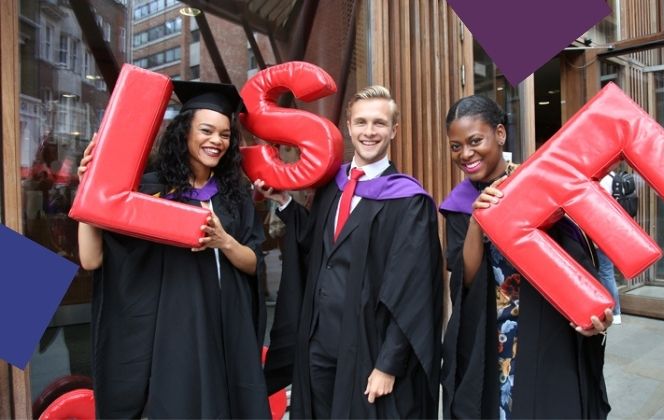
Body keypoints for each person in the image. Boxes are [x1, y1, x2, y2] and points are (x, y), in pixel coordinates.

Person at [77, 81, 270, 418]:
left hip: (226, 329)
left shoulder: (235, 196)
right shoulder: (148, 194)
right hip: (174, 335)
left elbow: (254, 263)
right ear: (184, 132)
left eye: (225, 134)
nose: (217, 141)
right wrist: (89, 193)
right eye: (207, 130)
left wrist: (224, 240)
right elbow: (91, 259)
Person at [256, 85, 442, 419]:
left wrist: (389, 364)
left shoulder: (408, 202)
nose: (369, 132)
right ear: (349, 125)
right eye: (361, 122)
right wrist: (283, 201)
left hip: (367, 348)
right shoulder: (333, 183)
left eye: (379, 123)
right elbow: (313, 247)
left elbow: (413, 292)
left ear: (393, 130)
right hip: (318, 343)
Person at [439, 95, 612, 419]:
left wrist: (594, 312)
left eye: (475, 141)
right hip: (489, 331)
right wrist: (478, 220)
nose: (466, 154)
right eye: (456, 146)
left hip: (545, 327)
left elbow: (574, 256)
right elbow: (467, 278)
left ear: (500, 134)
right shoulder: (459, 203)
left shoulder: (537, 185)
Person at [599, 172, 623, 324]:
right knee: (606, 271)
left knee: (606, 272)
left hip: (601, 231)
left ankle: (615, 312)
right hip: (612, 229)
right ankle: (613, 311)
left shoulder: (602, 180)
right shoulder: (614, 177)